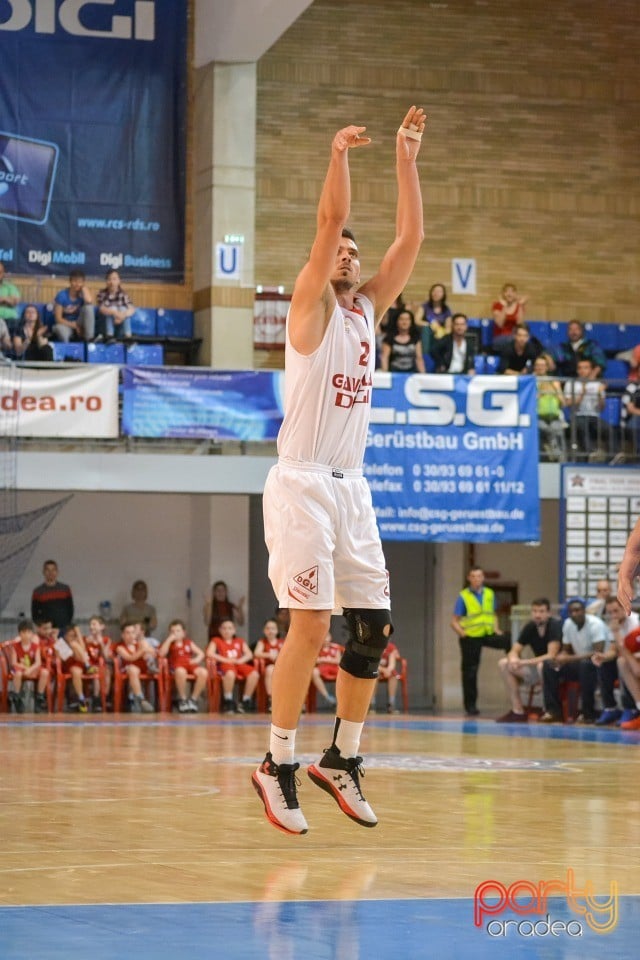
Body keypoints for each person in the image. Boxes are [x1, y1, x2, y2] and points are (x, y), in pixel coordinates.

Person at [252, 106, 425, 836]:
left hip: (353, 488)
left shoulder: (367, 314)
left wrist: (406, 156)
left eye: (357, 252)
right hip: (302, 483)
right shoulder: (311, 308)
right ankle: (276, 762)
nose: (351, 255)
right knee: (310, 624)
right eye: (342, 251)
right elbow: (329, 225)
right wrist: (337, 156)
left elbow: (412, 238)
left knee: (373, 629)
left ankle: (342, 760)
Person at [451, 567, 510, 716]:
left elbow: (493, 614)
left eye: (479, 576)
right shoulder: (463, 596)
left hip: (487, 633)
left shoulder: (489, 594)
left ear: (483, 577)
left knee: (509, 639)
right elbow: (454, 621)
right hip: (470, 637)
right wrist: (463, 634)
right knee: (470, 672)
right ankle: (470, 706)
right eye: (473, 576)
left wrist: (497, 629)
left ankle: (513, 661)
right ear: (469, 578)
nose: (477, 579)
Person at [540, 599, 611, 724]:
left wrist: (569, 658)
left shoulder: (595, 624)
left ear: (584, 611)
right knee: (549, 665)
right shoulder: (568, 624)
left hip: (600, 665)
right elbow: (566, 649)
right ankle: (553, 711)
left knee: (586, 665)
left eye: (577, 610)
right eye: (571, 611)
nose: (574, 614)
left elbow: (597, 653)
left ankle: (588, 714)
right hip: (579, 663)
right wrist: (560, 658)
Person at [495, 598, 562, 722]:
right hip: (537, 667)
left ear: (548, 613)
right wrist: (513, 659)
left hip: (555, 668)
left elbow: (551, 655)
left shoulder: (554, 626)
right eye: (535, 611)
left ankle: (548, 710)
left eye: (541, 612)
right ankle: (518, 711)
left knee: (543, 666)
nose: (537, 615)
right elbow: (514, 649)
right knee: (504, 663)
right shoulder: (530, 627)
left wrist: (523, 662)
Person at [592, 595, 640, 725]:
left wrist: (618, 635)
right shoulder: (613, 626)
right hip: (627, 658)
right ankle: (610, 707)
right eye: (610, 612)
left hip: (635, 658)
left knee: (622, 662)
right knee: (605, 664)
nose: (613, 615)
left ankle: (631, 708)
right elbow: (614, 650)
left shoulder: (636, 622)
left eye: (616, 611)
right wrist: (603, 656)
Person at [206, 618, 259, 713]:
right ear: (220, 630)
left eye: (230, 628)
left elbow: (249, 654)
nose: (227, 630)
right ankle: (228, 700)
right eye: (224, 628)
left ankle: (245, 701)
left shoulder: (239, 641)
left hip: (238, 664)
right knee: (230, 674)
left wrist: (240, 660)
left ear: (234, 630)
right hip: (224, 665)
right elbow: (209, 653)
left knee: (254, 674)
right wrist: (226, 660)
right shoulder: (216, 640)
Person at [158, 619, 208, 713]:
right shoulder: (170, 644)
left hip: (189, 664)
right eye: (172, 631)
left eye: (178, 631)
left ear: (183, 633)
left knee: (203, 672)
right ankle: (183, 699)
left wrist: (196, 659)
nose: (175, 633)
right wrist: (169, 640)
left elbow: (201, 653)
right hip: (176, 666)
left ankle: (193, 699)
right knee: (180, 671)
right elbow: (161, 654)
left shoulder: (188, 642)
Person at [563, 357, 607, 457]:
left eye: (586, 368)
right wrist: (582, 392)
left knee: (610, 429)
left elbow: (602, 407)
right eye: (580, 368)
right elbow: (569, 404)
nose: (582, 370)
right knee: (583, 426)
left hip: (594, 416)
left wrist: (600, 394)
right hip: (577, 416)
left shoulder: (598, 385)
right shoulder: (571, 384)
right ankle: (590, 453)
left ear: (591, 370)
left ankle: (616, 455)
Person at [7, 619, 50, 714]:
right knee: (17, 674)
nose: (26, 635)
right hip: (20, 668)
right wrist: (25, 668)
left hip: (32, 668)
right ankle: (17, 697)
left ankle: (40, 697)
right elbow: (14, 662)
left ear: (32, 634)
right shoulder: (15, 646)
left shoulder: (36, 646)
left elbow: (38, 662)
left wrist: (30, 669)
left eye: (29, 632)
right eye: (24, 632)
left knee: (45, 672)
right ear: (19, 634)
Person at [114, 622, 156, 712]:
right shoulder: (120, 647)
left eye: (133, 632)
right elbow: (130, 658)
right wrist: (142, 651)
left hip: (143, 666)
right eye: (127, 633)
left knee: (145, 649)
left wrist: (147, 651)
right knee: (133, 669)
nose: (130, 635)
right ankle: (140, 698)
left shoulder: (141, 644)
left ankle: (151, 665)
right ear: (123, 635)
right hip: (129, 668)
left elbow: (154, 652)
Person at [533, 353, 567, 460]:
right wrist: (540, 393)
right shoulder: (530, 382)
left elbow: (564, 403)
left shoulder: (553, 381)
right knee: (546, 429)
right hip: (537, 417)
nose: (540, 367)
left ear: (547, 367)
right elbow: (527, 402)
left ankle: (562, 461)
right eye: (537, 365)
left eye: (542, 365)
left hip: (555, 417)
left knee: (558, 430)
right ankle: (550, 454)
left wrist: (557, 389)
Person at [31, 560, 74, 632]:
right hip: (46, 632)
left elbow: (70, 609)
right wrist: (43, 627)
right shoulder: (37, 591)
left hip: (63, 630)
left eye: (53, 570)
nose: (50, 573)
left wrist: (66, 625)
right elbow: (35, 614)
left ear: (57, 572)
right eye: (48, 570)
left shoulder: (65, 589)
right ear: (43, 572)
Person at [53, 269, 95, 342]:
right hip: (65, 324)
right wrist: (74, 326)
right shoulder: (62, 295)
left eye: (80, 282)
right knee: (60, 330)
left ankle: (89, 340)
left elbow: (89, 301)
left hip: (79, 322)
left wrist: (84, 289)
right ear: (70, 282)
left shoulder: (83, 294)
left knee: (89, 308)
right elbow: (58, 319)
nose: (77, 284)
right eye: (75, 281)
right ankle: (67, 350)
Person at [253, 618, 285, 712]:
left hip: (282, 667)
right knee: (270, 669)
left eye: (273, 628)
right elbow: (256, 653)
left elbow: (288, 654)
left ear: (277, 630)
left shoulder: (282, 642)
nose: (270, 631)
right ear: (264, 630)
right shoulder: (262, 642)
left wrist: (278, 657)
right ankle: (272, 699)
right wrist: (269, 655)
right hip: (269, 668)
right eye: (268, 628)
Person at [379, 308, 425, 372]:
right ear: (396, 321)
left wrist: (423, 375)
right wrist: (385, 375)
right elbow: (384, 358)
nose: (404, 322)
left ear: (411, 322)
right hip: (394, 373)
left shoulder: (415, 337)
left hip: (411, 373)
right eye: (401, 319)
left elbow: (419, 358)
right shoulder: (389, 338)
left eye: (407, 319)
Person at [96, 269, 135, 341]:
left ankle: (128, 338)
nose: (112, 282)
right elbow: (101, 309)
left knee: (124, 309)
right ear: (106, 281)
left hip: (120, 325)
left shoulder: (123, 294)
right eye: (109, 279)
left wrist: (122, 316)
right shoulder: (102, 293)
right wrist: (115, 313)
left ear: (119, 281)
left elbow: (132, 309)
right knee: (112, 309)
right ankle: (109, 336)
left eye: (114, 279)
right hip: (105, 325)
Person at [309, 634, 341, 709]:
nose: (325, 639)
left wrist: (324, 659)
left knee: (345, 672)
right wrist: (328, 660)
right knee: (314, 672)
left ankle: (344, 699)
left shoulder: (335, 647)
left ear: (330, 637)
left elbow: (338, 660)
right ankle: (327, 697)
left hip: (334, 669)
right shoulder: (317, 648)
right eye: (323, 636)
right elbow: (315, 660)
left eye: (327, 636)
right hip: (323, 669)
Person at [491, 283, 527, 350]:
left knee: (529, 342)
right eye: (507, 291)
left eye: (512, 291)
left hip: (515, 338)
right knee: (513, 341)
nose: (509, 294)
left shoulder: (519, 306)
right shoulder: (497, 305)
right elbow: (500, 324)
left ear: (515, 294)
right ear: (503, 294)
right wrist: (504, 306)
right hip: (500, 338)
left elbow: (520, 324)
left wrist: (520, 306)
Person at [374, 639, 401, 713]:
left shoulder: (391, 647)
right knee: (374, 676)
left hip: (387, 671)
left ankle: (391, 704)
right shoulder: (373, 646)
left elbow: (393, 662)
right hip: (376, 669)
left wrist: (388, 670)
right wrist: (382, 670)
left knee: (394, 677)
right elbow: (373, 662)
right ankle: (371, 704)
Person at [0, 263, 20, 329]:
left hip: (10, 319)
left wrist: (3, 299)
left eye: (0, 272)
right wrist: (7, 299)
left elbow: (15, 302)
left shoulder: (10, 287)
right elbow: (11, 301)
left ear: (3, 274)